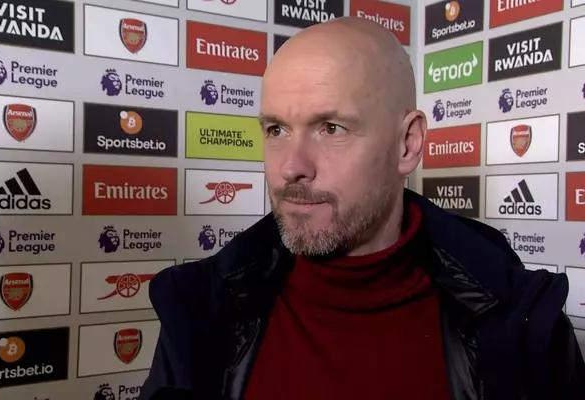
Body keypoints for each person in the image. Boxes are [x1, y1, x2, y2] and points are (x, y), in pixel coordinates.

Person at [140, 17, 585, 400]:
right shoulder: (201, 310)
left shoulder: (520, 321)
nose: (291, 167)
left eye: (331, 128)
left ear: (407, 144)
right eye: (276, 129)